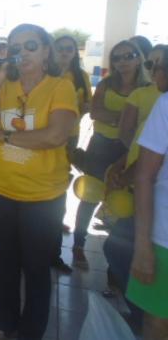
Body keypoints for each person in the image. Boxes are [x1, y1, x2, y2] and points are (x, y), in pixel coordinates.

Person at [0, 24, 77, 340]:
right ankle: (6, 325)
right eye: (17, 47)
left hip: (42, 196)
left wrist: (5, 135)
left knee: (36, 267)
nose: (24, 53)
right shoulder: (3, 87)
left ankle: (31, 333)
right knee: (6, 262)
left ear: (46, 50)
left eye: (31, 45)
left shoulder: (61, 87)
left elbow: (55, 135)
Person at [101, 45, 167, 326]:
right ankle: (138, 310)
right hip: (153, 210)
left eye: (159, 65)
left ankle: (137, 311)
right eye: (153, 66)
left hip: (152, 208)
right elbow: (134, 140)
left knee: (117, 247)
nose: (156, 71)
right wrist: (124, 165)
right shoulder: (159, 101)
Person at [72, 40, 148, 269]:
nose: (123, 61)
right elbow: (95, 112)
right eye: (117, 57)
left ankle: (115, 258)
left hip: (128, 149)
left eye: (129, 55)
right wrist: (125, 120)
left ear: (139, 58)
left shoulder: (147, 87)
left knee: (121, 200)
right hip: (101, 145)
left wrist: (116, 118)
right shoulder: (106, 83)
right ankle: (78, 244)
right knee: (90, 195)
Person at [127, 67, 168, 340]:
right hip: (164, 237)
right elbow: (144, 176)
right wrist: (142, 246)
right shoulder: (166, 104)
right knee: (158, 321)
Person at [51, 35, 92, 273]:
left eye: (69, 49)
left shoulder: (81, 77)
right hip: (45, 136)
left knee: (60, 190)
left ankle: (54, 253)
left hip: (69, 137)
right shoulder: (46, 74)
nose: (65, 53)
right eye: (60, 49)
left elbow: (88, 106)